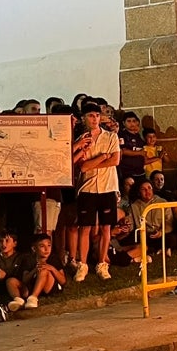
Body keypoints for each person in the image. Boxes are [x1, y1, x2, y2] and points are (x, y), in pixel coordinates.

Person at [70, 102, 120, 282]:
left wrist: (96, 162)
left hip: (108, 186)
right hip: (88, 188)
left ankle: (101, 263)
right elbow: (82, 167)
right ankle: (82, 264)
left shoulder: (110, 137)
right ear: (84, 118)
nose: (94, 119)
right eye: (91, 116)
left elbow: (115, 160)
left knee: (106, 227)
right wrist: (102, 157)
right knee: (85, 227)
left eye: (97, 116)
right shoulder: (82, 139)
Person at [19, 234, 63, 308]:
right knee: (11, 281)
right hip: (34, 285)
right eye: (42, 246)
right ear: (34, 248)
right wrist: (35, 270)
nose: (46, 249)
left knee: (44, 270)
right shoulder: (29, 260)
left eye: (49, 245)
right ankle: (18, 300)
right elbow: (25, 279)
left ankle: (33, 298)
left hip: (50, 287)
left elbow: (63, 281)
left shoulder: (54, 259)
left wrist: (51, 268)